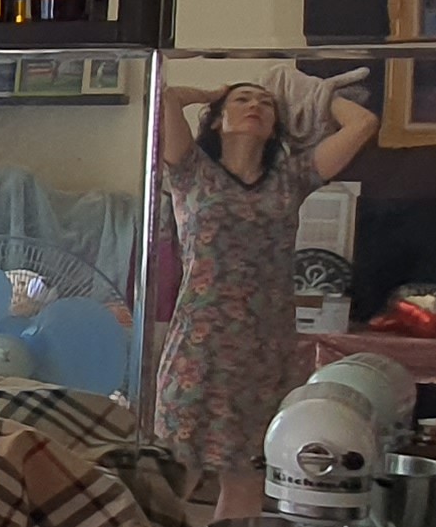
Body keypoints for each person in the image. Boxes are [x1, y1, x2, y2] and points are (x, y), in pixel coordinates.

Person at [150, 75, 379, 476]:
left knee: (248, 476)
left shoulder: (292, 178)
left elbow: (363, 124)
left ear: (275, 126)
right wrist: (212, 92)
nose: (255, 106)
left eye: (266, 103)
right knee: (177, 475)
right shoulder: (191, 170)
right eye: (242, 100)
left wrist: (314, 93)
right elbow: (167, 97)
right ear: (217, 120)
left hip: (267, 353)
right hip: (200, 349)